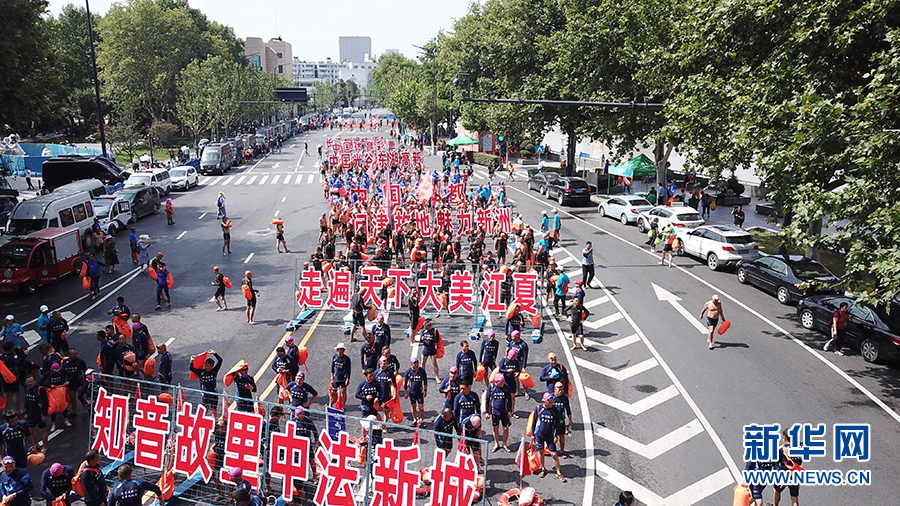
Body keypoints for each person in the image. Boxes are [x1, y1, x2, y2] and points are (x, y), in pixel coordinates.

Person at [529, 392, 566, 482]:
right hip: (539, 435)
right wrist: (533, 434)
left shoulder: (554, 410)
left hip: (550, 435)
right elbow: (534, 422)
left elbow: (557, 423)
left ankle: (558, 472)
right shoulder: (539, 408)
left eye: (553, 402)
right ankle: (543, 469)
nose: (552, 404)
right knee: (540, 452)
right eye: (551, 402)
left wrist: (556, 435)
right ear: (545, 402)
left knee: (553, 454)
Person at [189, 351, 223, 419]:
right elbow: (191, 368)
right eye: (207, 365)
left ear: (212, 366)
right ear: (204, 365)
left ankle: (214, 423)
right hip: (205, 394)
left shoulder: (214, 371)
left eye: (210, 366)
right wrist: (191, 361)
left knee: (214, 409)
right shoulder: (201, 372)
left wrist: (214, 353)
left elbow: (220, 360)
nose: (208, 367)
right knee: (204, 409)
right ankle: (202, 421)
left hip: (213, 393)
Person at [484, 374, 512, 452]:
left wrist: (510, 410)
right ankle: (496, 444)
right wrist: (487, 412)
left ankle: (504, 443)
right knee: (495, 428)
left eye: (503, 381)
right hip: (495, 412)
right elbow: (487, 399)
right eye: (501, 382)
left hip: (504, 412)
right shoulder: (492, 387)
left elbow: (509, 399)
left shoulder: (506, 387)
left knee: (506, 428)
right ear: (496, 382)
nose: (503, 383)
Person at [774, 428, 801, 506]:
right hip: (795, 475)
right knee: (794, 497)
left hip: (784, 475)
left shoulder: (782, 449)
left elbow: (776, 461)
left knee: (777, 490)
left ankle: (775, 505)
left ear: (785, 437)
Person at [551, 382, 573, 457]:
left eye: (562, 390)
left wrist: (570, 420)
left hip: (561, 420)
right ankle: (550, 450)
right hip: (552, 420)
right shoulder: (551, 397)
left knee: (562, 435)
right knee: (550, 436)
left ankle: (562, 450)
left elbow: (568, 409)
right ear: (555, 389)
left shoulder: (564, 398)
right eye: (558, 390)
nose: (560, 392)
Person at [404, 357, 427, 425]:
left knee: (421, 408)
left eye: (417, 362)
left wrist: (425, 390)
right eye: (415, 363)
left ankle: (421, 420)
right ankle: (414, 419)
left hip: (419, 392)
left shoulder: (422, 371)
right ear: (411, 364)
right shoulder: (408, 372)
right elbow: (405, 382)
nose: (416, 364)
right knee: (413, 406)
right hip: (412, 392)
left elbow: (425, 381)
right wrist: (405, 392)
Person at [330, 343, 351, 409]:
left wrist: (348, 378)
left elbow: (348, 369)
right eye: (339, 350)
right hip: (336, 377)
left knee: (343, 391)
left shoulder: (346, 359)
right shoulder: (335, 357)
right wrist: (332, 375)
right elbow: (332, 366)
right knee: (333, 392)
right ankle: (330, 405)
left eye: (341, 350)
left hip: (343, 378)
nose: (340, 351)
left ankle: (343, 405)